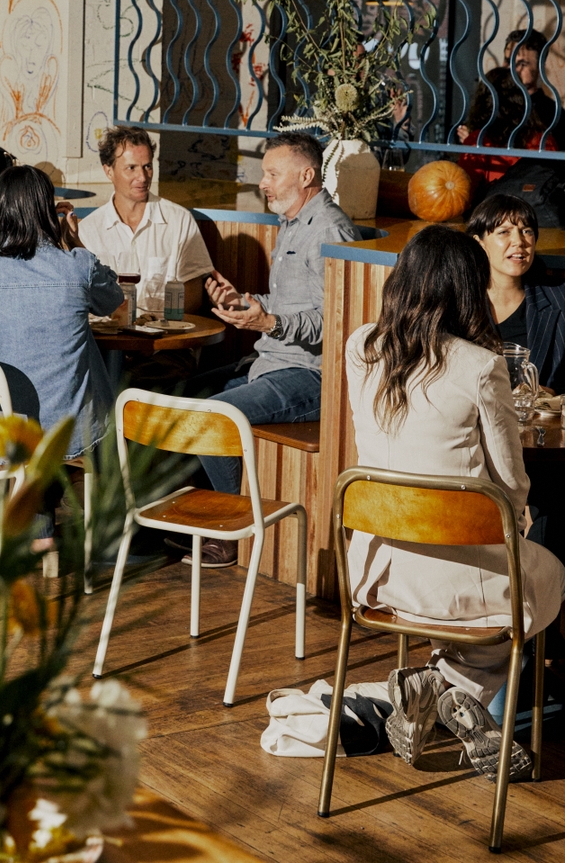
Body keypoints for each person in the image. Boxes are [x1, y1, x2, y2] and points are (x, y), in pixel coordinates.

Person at [346, 226, 565, 780]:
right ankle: (449, 683)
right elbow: (511, 485)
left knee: (515, 582)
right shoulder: (480, 365)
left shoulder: (361, 346)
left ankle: (433, 683)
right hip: (456, 584)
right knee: (549, 575)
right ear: (470, 288)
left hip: (376, 574)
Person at [194, 132, 359, 567]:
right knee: (183, 395)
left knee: (214, 415)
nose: (262, 183)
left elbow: (336, 320)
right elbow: (290, 305)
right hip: (272, 362)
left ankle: (232, 529)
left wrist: (269, 322)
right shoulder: (291, 222)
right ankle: (197, 514)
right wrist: (246, 303)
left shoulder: (330, 230)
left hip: (311, 376)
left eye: (272, 174)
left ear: (306, 175)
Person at [0, 164, 123, 548]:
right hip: (67, 432)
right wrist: (74, 242)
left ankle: (39, 523)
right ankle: (107, 516)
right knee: (87, 372)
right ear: (48, 211)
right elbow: (112, 299)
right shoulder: (76, 266)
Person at [466, 192, 565, 567]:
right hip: (476, 439)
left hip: (538, 446)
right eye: (504, 232)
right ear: (480, 242)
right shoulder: (461, 306)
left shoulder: (558, 302)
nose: (519, 242)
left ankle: (539, 589)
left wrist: (550, 395)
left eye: (526, 231)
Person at [78, 126, 212, 313]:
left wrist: (159, 325)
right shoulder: (88, 230)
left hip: (164, 330)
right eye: (131, 168)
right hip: (106, 331)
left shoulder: (180, 220)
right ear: (109, 171)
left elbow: (193, 296)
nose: (142, 177)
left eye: (147, 166)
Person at [457, 66, 557, 192]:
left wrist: (471, 145)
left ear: (483, 101)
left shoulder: (479, 141)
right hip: (533, 203)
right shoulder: (543, 140)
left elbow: (464, 190)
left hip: (493, 204)